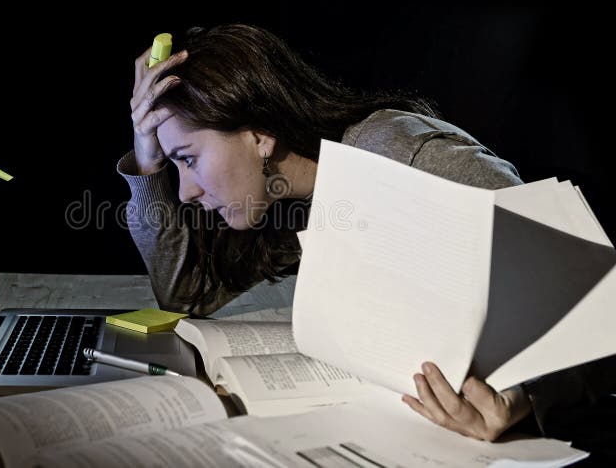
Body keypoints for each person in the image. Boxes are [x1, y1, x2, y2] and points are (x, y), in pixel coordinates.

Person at [117, 23, 614, 444]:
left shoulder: (400, 153)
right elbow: (185, 293)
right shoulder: (289, 203)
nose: (183, 192)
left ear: (260, 135)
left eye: (187, 160)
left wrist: (526, 396)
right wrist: (146, 158)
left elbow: (593, 292)